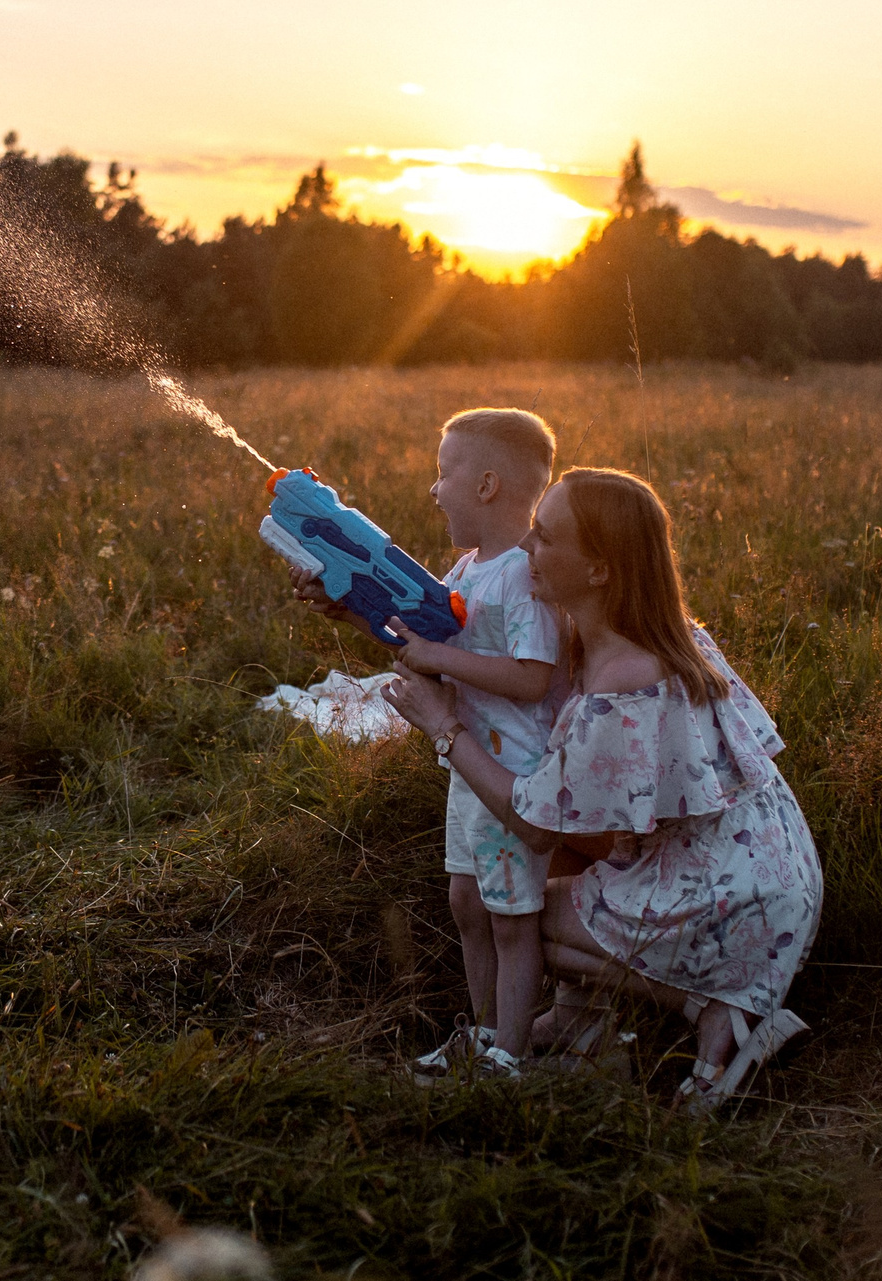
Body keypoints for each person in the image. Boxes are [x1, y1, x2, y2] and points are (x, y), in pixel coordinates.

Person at [382, 467, 823, 1112]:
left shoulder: (625, 680)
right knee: (550, 867)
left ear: (599, 570)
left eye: (544, 536)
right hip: (765, 874)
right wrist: (347, 595)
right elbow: (460, 639)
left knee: (518, 914)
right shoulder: (647, 637)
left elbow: (534, 825)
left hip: (727, 900)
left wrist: (445, 729)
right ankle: (580, 1026)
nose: (526, 546)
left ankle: (716, 1014)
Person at [294, 408, 562, 1078]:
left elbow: (534, 677)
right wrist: (345, 609)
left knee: (511, 917)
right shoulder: (467, 568)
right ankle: (486, 1032)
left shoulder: (524, 575)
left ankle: (511, 1056)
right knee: (467, 904)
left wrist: (439, 657)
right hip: (468, 765)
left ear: (488, 485)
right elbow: (419, 644)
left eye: (445, 472)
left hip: (510, 771)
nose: (434, 489)